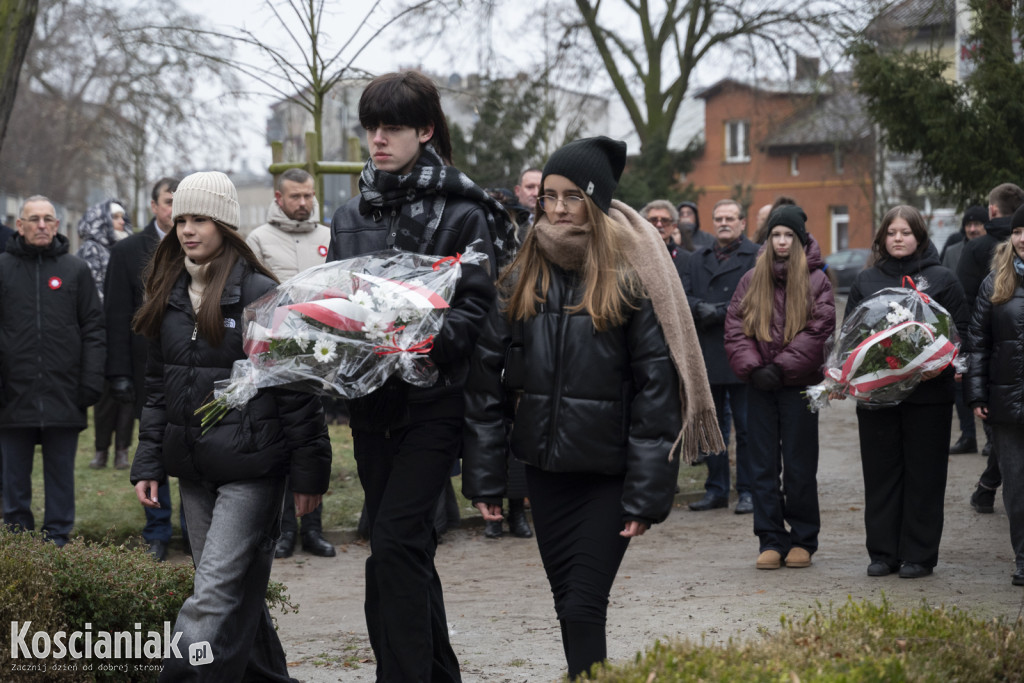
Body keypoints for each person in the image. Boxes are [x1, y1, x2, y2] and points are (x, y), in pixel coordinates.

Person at [463, 136, 722, 680]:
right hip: (545, 471)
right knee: (569, 606)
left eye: (572, 197)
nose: (557, 209)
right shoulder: (520, 274)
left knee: (583, 604)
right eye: (549, 197)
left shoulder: (632, 276)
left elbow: (657, 391)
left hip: (608, 475)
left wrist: (647, 494)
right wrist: (488, 478)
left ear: (596, 201)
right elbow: (486, 384)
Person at [326, 70, 516, 682]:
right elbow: (340, 296)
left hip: (435, 402)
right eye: (371, 128)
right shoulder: (351, 209)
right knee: (401, 548)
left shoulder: (465, 211)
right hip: (371, 404)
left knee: (396, 542)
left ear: (425, 131)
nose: (378, 139)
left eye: (393, 128)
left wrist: (422, 334)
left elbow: (477, 306)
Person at [130, 171, 331, 680]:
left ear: (224, 223)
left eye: (199, 218)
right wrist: (148, 459)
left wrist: (310, 476)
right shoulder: (167, 290)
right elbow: (157, 387)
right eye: (180, 219)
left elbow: (296, 388)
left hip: (251, 466)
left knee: (214, 591)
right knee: (232, 591)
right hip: (193, 467)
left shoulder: (262, 292)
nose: (187, 230)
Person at [844, 205, 968, 579]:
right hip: (877, 398)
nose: (898, 238)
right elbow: (850, 334)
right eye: (892, 232)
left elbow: (961, 332)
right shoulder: (866, 279)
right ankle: (883, 553)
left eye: (906, 232)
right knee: (881, 474)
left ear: (919, 237)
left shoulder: (942, 278)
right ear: (882, 237)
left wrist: (940, 365)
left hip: (929, 396)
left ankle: (919, 555)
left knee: (925, 475)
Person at [724, 206, 836, 569]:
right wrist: (755, 368)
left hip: (798, 387)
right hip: (759, 386)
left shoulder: (818, 280)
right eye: (776, 235)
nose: (782, 241)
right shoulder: (751, 278)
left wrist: (781, 367)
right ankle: (770, 538)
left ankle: (803, 538)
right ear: (768, 239)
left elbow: (819, 330)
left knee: (800, 466)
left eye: (789, 235)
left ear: (800, 239)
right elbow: (735, 327)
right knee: (762, 464)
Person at [0, 196, 105, 546]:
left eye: (48, 219)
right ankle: (19, 546)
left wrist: (90, 382)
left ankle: (58, 542)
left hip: (64, 395)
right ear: (20, 225)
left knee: (61, 480)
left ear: (58, 225)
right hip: (12, 398)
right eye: (34, 219)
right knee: (14, 483)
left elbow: (93, 328)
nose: (41, 225)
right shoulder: (2, 268)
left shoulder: (75, 270)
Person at [246, 167, 336, 559]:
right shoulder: (259, 240)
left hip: (320, 354)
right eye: (295, 196)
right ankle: (284, 529)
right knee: (282, 441)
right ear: (278, 198)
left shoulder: (329, 236)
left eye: (309, 195)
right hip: (275, 357)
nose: (304, 203)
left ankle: (313, 529)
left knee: (314, 439)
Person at [105, 177, 184, 561]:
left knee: (192, 446)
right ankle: (157, 530)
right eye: (169, 201)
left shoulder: (202, 245)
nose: (175, 209)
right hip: (145, 369)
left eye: (182, 202)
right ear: (153, 206)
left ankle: (194, 525)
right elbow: (116, 316)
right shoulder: (128, 252)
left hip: (192, 366)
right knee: (152, 448)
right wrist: (117, 373)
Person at [682, 199, 760, 514]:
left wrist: (723, 311)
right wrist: (699, 307)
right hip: (707, 352)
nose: (724, 222)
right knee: (710, 423)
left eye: (730, 218)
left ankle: (748, 491)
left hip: (741, 349)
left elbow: (758, 297)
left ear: (743, 222)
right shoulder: (696, 258)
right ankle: (715, 489)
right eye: (719, 218)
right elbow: (682, 293)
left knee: (746, 426)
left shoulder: (756, 256)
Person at [965, 207, 1024, 587]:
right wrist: (976, 393)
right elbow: (977, 343)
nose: (1022, 239)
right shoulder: (995, 283)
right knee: (1017, 486)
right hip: (1007, 403)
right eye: (1018, 231)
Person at [78, 199, 135, 470]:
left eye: (123, 217)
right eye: (115, 217)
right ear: (101, 219)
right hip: (100, 332)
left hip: (128, 330)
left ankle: (122, 450)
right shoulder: (89, 251)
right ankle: (101, 449)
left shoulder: (129, 248)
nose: (121, 222)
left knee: (127, 394)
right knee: (103, 394)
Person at [944, 205, 988, 455]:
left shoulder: (997, 249)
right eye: (968, 224)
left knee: (987, 381)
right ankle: (968, 436)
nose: (972, 229)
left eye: (977, 224)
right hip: (958, 327)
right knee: (960, 383)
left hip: (986, 325)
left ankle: (991, 439)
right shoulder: (951, 252)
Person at [513, 167, 542, 241]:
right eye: (530, 187)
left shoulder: (557, 221)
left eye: (541, 188)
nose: (536, 193)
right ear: (517, 191)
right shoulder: (507, 222)